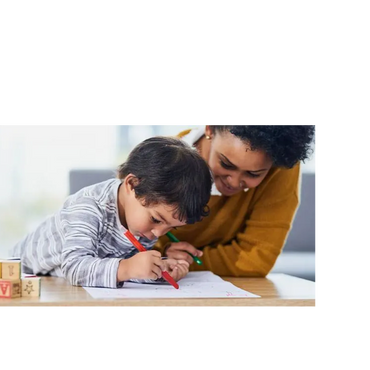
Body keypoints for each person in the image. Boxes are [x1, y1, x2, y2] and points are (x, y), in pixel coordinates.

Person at [12, 137, 213, 288]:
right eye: (156, 219)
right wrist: (127, 268)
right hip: (19, 274)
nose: (159, 234)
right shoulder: (89, 206)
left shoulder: (144, 223)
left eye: (172, 227)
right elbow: (75, 268)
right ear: (132, 184)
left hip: (56, 280)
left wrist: (157, 270)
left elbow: (120, 269)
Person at [156, 122, 316, 277]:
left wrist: (183, 263)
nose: (233, 182)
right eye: (226, 164)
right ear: (210, 127)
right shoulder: (161, 161)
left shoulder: (280, 164)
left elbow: (256, 259)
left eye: (253, 174)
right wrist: (163, 257)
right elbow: (136, 246)